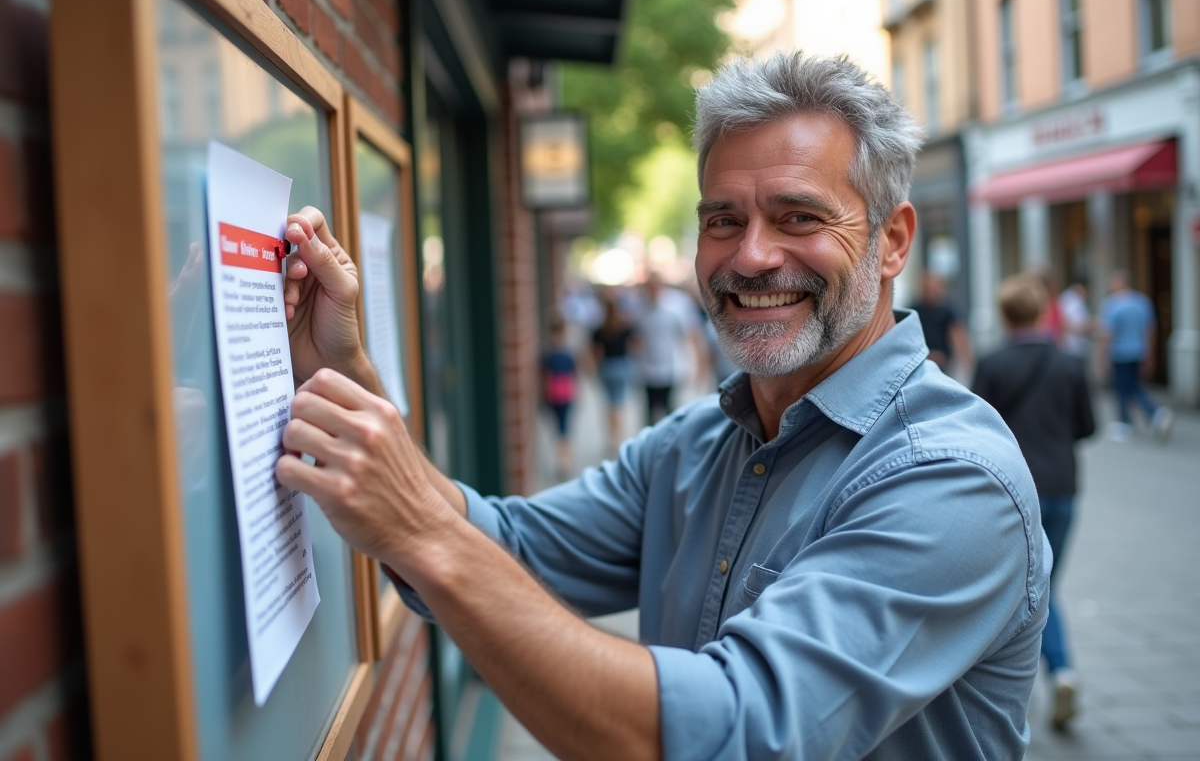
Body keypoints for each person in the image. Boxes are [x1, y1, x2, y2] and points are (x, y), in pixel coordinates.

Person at [275, 52, 1048, 760]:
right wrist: (346, 373)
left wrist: (414, 524)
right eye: (723, 221)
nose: (750, 256)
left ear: (893, 241)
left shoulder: (949, 479)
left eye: (799, 218)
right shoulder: (695, 442)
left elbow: (734, 733)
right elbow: (508, 545)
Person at [972, 273, 1095, 732]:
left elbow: (975, 426)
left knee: (1035, 590)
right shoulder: (1068, 363)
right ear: (1044, 311)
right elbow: (1088, 426)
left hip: (1014, 490)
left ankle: (1056, 673)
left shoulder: (994, 364)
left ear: (1005, 314)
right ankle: (1060, 671)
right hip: (1064, 487)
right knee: (1046, 585)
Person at [1098, 269, 1173, 441]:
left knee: (1123, 388)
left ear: (1120, 283)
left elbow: (1106, 334)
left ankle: (1132, 420)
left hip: (1119, 352)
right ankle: (1151, 415)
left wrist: (1102, 357)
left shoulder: (1111, 304)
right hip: (1138, 351)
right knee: (1132, 385)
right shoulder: (1142, 302)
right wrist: (1150, 352)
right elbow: (1150, 330)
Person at [635, 274, 696, 425]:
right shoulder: (641, 312)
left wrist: (690, 365)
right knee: (650, 410)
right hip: (648, 369)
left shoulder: (674, 310)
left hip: (670, 368)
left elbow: (687, 338)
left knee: (669, 409)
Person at [591, 298, 637, 452]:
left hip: (607, 367)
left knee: (609, 404)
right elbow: (634, 344)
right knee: (619, 403)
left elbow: (596, 353)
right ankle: (618, 436)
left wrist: (595, 368)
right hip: (622, 365)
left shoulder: (600, 329)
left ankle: (612, 437)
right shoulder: (623, 327)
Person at [908, 269, 972, 376]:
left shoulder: (947, 310)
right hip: (920, 361)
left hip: (944, 364)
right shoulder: (914, 310)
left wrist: (966, 362)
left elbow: (958, 335)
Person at [542, 319, 578, 479]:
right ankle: (563, 459)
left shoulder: (559, 355)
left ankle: (564, 460)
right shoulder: (553, 355)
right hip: (557, 395)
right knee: (561, 428)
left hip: (563, 395)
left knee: (563, 428)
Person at [1058, 277, 1092, 361]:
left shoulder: (1078, 300)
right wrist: (1086, 327)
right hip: (1070, 348)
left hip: (1078, 348)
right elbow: (1064, 324)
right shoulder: (1069, 300)